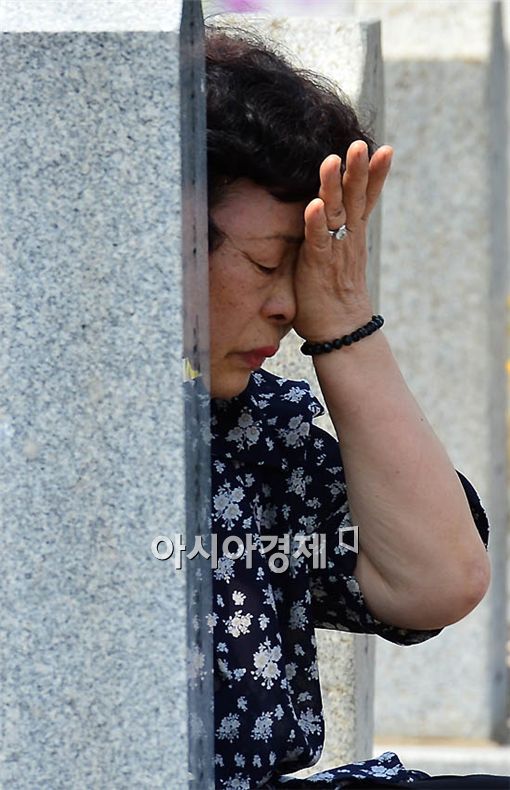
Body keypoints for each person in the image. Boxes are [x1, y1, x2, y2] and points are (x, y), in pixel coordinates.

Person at [198, 24, 510, 790]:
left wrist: (342, 321)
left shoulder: (251, 431)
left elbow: (438, 579)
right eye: (268, 263)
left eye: (302, 271)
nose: (288, 306)